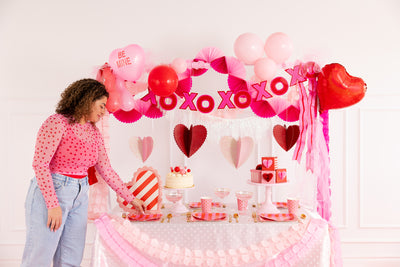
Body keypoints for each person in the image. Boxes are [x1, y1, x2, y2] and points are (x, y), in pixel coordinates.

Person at [21, 78, 145, 267]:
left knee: (71, 259)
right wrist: (53, 204)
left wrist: (131, 198)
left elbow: (106, 169)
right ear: (88, 99)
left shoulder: (94, 133)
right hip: (51, 194)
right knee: (39, 259)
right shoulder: (57, 123)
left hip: (80, 197)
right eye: (102, 106)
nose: (104, 112)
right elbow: (40, 164)